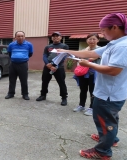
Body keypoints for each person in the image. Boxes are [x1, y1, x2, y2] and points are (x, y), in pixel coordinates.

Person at [58, 13, 127, 160]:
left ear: (114, 27)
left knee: (105, 120)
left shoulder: (122, 46)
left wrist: (89, 64)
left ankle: (103, 151)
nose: (102, 33)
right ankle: (110, 139)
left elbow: (114, 70)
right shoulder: (114, 43)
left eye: (103, 30)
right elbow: (92, 53)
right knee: (109, 119)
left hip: (109, 94)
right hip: (109, 92)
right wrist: (66, 51)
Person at [36, 32, 69, 106]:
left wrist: (54, 65)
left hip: (58, 67)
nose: (55, 37)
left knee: (61, 83)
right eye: (53, 36)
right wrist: (47, 64)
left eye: (57, 36)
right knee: (44, 81)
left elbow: (63, 57)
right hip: (47, 67)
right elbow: (45, 56)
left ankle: (64, 98)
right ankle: (43, 95)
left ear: (61, 37)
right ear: (51, 38)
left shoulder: (64, 46)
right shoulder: (48, 47)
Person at [73, 33, 101, 116]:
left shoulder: (100, 50)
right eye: (90, 39)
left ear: (98, 40)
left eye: (94, 39)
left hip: (94, 73)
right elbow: (80, 60)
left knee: (93, 91)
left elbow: (91, 59)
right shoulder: (84, 50)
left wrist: (82, 59)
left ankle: (92, 108)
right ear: (87, 40)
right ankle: (81, 105)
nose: (91, 41)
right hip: (83, 72)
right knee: (83, 90)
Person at [5, 31, 33, 100]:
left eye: (22, 36)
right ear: (15, 37)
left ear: (24, 37)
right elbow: (9, 53)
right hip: (13, 64)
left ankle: (25, 94)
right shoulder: (11, 45)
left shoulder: (29, 45)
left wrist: (22, 58)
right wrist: (16, 58)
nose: (20, 37)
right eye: (18, 36)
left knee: (24, 80)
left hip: (23, 64)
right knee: (12, 80)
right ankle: (11, 93)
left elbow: (30, 54)